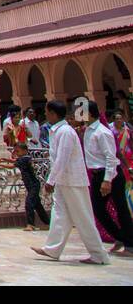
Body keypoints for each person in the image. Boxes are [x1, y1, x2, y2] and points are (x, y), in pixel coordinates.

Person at [32, 99, 110, 265]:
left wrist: (50, 180)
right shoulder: (57, 131)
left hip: (73, 180)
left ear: (53, 113)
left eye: (47, 112)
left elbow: (63, 158)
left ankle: (98, 254)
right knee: (60, 215)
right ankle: (53, 249)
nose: (45, 114)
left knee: (83, 216)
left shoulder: (66, 131)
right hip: (63, 180)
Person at [81, 110, 133, 255]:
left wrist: (107, 180)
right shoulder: (87, 131)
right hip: (98, 174)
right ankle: (121, 237)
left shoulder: (102, 132)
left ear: (89, 114)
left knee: (121, 207)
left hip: (110, 173)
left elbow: (111, 157)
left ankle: (130, 244)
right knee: (98, 209)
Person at [8, 118, 48, 232]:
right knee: (37, 205)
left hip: (33, 185)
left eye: (18, 151)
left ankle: (30, 224)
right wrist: (2, 160)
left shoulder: (24, 159)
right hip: (32, 185)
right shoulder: (24, 158)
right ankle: (47, 222)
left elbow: (12, 165)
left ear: (24, 151)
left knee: (29, 204)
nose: (16, 154)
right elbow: (13, 161)